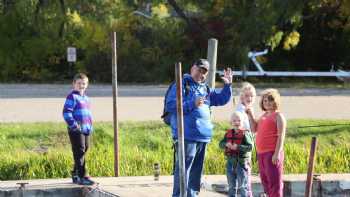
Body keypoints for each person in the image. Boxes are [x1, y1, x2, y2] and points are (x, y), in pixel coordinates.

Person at [166, 58, 233, 197]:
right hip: (186, 135)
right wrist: (192, 103)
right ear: (192, 69)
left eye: (204, 72)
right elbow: (171, 105)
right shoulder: (181, 84)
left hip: (203, 137)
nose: (201, 74)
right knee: (183, 171)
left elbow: (221, 99)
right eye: (199, 70)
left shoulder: (205, 89)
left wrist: (227, 85)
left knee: (196, 174)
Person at [246, 89, 287, 197]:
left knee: (275, 183)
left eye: (270, 100)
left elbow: (281, 136)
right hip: (261, 154)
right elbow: (254, 129)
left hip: (272, 153)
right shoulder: (264, 115)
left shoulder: (278, 116)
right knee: (265, 181)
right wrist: (250, 115)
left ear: (276, 101)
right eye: (265, 101)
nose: (267, 102)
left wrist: (277, 153)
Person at [63, 73, 95, 185]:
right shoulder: (72, 96)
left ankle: (75, 173)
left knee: (85, 149)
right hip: (76, 129)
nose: (81, 85)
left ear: (87, 85)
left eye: (84, 83)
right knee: (79, 151)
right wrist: (74, 125)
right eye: (79, 83)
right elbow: (66, 113)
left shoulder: (86, 98)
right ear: (74, 84)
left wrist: (90, 126)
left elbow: (87, 114)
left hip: (86, 128)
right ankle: (83, 176)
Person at [219, 111, 253, 197]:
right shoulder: (228, 134)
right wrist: (226, 144)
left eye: (239, 120)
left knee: (243, 186)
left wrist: (238, 147)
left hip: (241, 164)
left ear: (242, 122)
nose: (237, 122)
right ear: (231, 122)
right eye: (234, 121)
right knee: (231, 186)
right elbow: (221, 144)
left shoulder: (245, 134)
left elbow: (250, 147)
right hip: (230, 163)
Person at [234, 82, 256, 196]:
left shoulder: (249, 109)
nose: (249, 98)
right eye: (247, 95)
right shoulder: (241, 110)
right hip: (243, 146)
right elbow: (241, 127)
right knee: (244, 172)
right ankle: (247, 194)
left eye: (252, 96)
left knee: (246, 171)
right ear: (242, 96)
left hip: (247, 145)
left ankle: (247, 193)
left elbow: (253, 129)